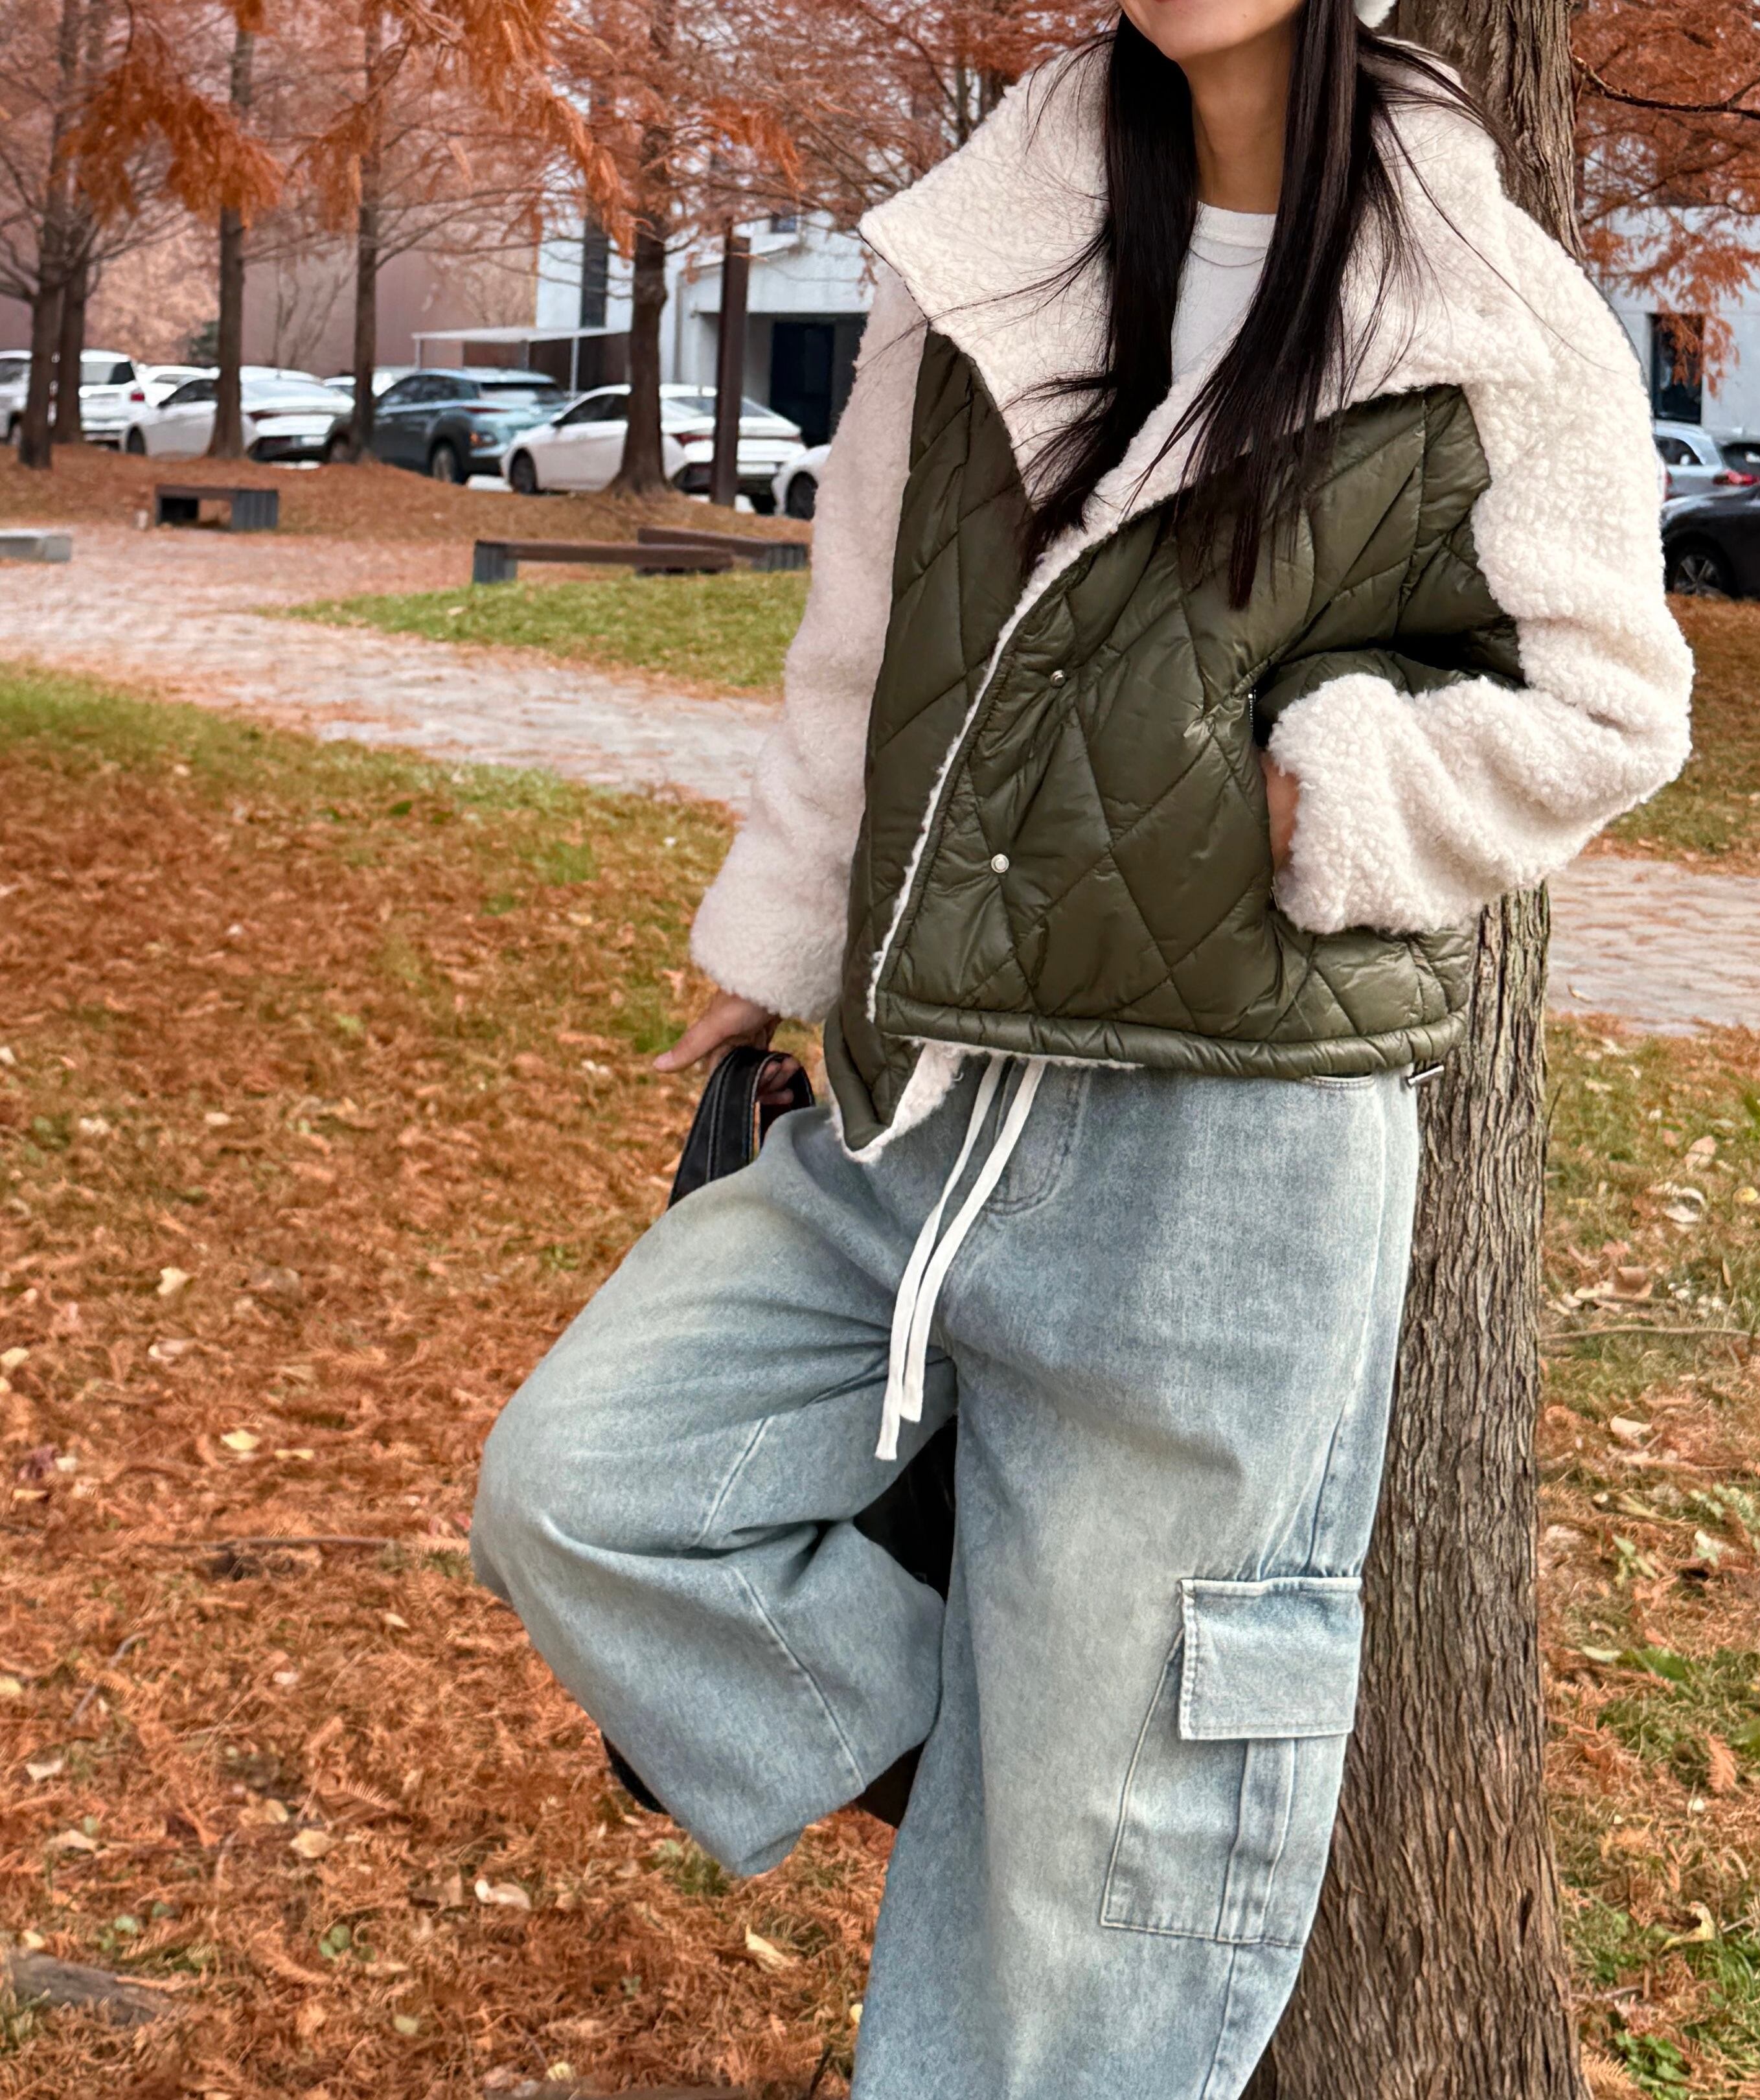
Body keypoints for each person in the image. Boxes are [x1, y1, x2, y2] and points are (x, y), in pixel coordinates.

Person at [470, 0, 1692, 2087]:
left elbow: (1613, 702)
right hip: (923, 1112)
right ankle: (1028, 1772)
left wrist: (1344, 786)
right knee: (581, 1485)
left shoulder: (1481, 295)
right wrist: (780, 932)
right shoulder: (989, 228)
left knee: (1070, 1958)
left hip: (1230, 1165)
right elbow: (866, 641)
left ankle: (1074, 1808)